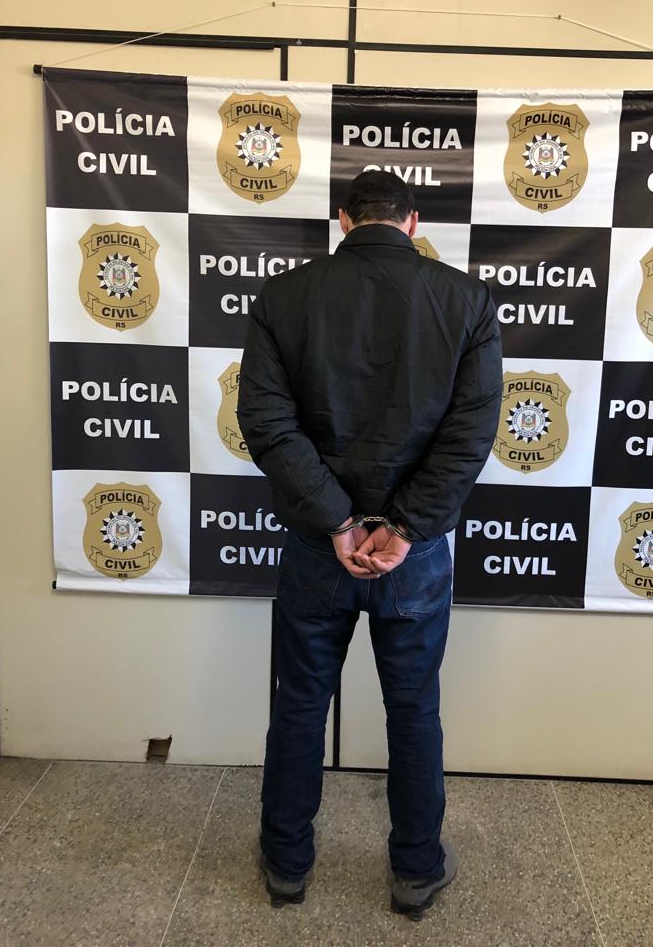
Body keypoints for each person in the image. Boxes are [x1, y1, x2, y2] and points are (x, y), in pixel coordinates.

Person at [236, 170, 503, 920]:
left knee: (299, 706)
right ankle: (415, 873)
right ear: (413, 223)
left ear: (344, 220)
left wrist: (339, 523)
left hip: (320, 546)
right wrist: (404, 528)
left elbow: (267, 423)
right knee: (414, 711)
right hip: (410, 556)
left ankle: (286, 866)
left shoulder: (284, 296)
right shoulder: (467, 300)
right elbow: (470, 436)